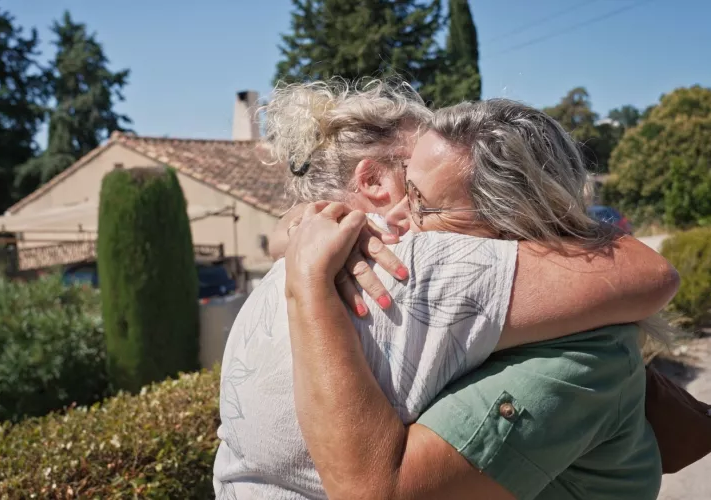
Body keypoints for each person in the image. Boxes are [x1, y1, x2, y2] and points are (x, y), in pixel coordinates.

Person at [213, 81, 678, 499]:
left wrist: (307, 269)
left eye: (420, 200)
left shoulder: (295, 278)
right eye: (408, 186)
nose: (399, 216)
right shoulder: (414, 274)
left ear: (508, 214)